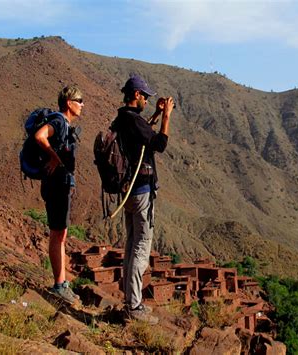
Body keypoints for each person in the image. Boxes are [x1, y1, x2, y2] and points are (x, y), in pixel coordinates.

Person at [112, 75, 174, 324]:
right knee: (141, 247)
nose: (147, 100)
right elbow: (159, 143)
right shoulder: (131, 120)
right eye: (145, 96)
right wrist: (167, 116)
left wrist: (156, 116)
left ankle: (130, 300)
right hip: (140, 192)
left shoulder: (122, 118)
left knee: (130, 245)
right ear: (136, 95)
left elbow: (142, 136)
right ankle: (134, 305)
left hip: (128, 192)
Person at [34, 86, 84, 304]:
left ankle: (62, 283)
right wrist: (54, 157)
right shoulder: (59, 122)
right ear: (68, 103)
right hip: (56, 185)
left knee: (60, 233)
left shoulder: (64, 124)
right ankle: (59, 285)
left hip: (58, 184)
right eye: (79, 100)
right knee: (57, 234)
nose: (82, 104)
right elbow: (39, 136)